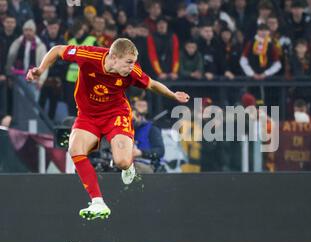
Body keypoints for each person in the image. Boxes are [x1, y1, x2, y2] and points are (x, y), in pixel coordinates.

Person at [26, 38, 190, 220]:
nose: (131, 67)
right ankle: (97, 202)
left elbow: (151, 84)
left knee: (121, 162)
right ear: (113, 57)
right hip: (88, 116)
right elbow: (57, 50)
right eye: (128, 62)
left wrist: (173, 95)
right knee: (75, 150)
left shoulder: (132, 73)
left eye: (133, 62)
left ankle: (129, 169)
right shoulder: (89, 55)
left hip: (116, 115)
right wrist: (40, 70)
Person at [132, 98, 165, 173]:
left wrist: (141, 153)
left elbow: (160, 151)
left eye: (137, 115)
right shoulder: (124, 130)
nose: (134, 118)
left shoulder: (152, 129)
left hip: (146, 165)